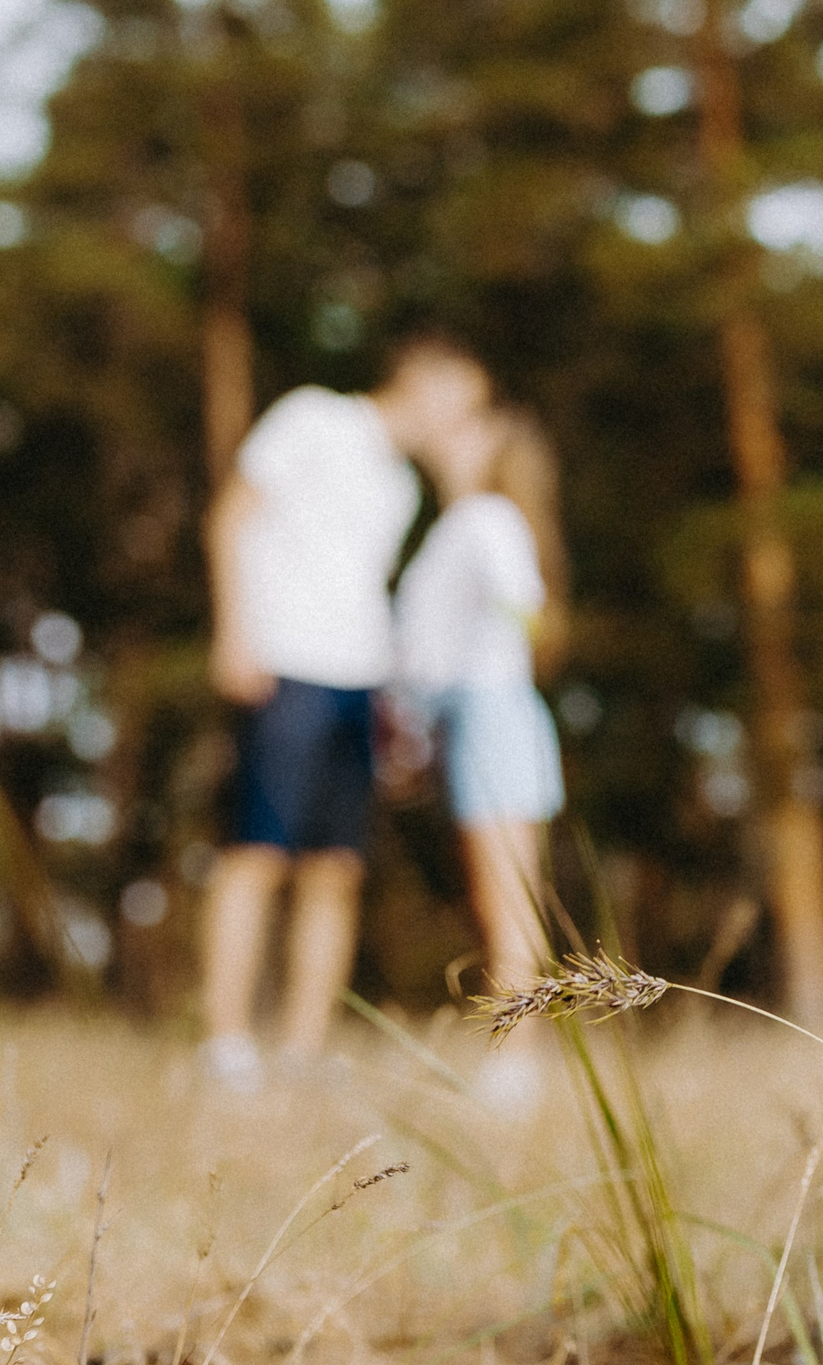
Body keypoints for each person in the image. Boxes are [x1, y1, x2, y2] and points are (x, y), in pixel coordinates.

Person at [198, 333, 489, 1086]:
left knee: (337, 870)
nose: (466, 422)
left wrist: (397, 711)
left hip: (359, 684)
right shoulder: (312, 419)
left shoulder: (405, 487)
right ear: (421, 379)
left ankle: (302, 1052)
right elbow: (232, 516)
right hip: (283, 664)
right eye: (464, 402)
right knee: (257, 854)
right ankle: (225, 1044)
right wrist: (236, 634)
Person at [394, 404, 567, 1003]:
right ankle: (517, 1056)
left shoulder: (487, 518)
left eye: (469, 427)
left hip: (492, 710)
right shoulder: (464, 522)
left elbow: (524, 603)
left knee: (507, 897)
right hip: (471, 716)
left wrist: (496, 652)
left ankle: (518, 1064)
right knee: (494, 894)